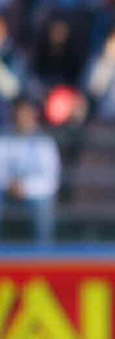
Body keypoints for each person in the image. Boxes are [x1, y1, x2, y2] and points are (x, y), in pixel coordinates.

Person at [0, 96, 61, 245]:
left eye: (26, 113)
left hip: (35, 195)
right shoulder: (4, 140)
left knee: (43, 206)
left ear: (33, 115)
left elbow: (50, 180)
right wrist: (9, 185)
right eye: (19, 114)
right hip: (5, 192)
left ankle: (43, 252)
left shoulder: (45, 143)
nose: (22, 118)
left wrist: (26, 188)